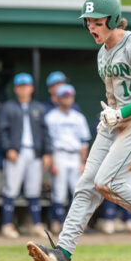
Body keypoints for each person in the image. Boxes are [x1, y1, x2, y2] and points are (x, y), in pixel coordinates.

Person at [26, 0, 131, 261]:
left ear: (114, 19)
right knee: (87, 185)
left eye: (97, 21)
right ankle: (63, 253)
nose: (91, 27)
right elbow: (113, 93)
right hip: (114, 123)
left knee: (106, 181)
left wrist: (120, 113)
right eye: (88, 22)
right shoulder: (103, 53)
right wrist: (111, 114)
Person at [0, 72, 52, 239]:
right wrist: (8, 149)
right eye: (20, 86)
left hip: (34, 153)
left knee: (33, 189)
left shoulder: (39, 107)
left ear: (31, 88)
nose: (23, 89)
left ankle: (35, 224)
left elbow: (45, 133)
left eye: (26, 86)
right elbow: (2, 131)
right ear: (15, 89)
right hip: (16, 152)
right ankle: (7, 224)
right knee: (11, 188)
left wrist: (47, 152)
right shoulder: (8, 107)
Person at [44, 84, 91, 234]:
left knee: (77, 190)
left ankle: (75, 224)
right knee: (59, 190)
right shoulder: (51, 116)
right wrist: (51, 160)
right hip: (59, 154)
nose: (67, 99)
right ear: (57, 98)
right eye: (64, 96)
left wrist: (83, 162)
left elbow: (84, 142)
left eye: (69, 96)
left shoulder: (78, 117)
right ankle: (58, 222)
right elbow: (48, 141)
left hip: (75, 155)